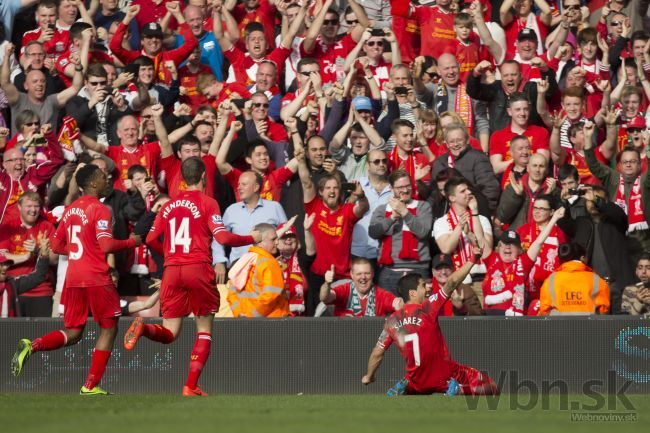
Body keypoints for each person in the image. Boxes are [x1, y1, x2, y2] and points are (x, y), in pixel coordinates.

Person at [123, 157, 260, 397]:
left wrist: (169, 257)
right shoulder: (208, 203)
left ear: (183, 179)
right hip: (198, 268)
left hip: (172, 271)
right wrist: (252, 238)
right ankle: (190, 385)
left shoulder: (168, 205)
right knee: (204, 328)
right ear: (205, 177)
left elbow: (150, 239)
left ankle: (144, 328)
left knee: (170, 333)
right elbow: (224, 239)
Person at [11, 164, 142, 395]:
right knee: (109, 328)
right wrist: (133, 241)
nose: (107, 180)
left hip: (73, 279)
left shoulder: (70, 210)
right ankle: (90, 385)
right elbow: (107, 245)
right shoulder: (100, 209)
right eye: (103, 177)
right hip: (97, 277)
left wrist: (79, 250)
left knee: (74, 332)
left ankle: (33, 346)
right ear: (92, 183)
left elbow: (57, 245)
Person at [361, 255, 499, 396]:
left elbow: (377, 352)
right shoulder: (427, 307)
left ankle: (406, 387)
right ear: (412, 293)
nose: (427, 287)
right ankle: (458, 390)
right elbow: (452, 282)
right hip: (445, 376)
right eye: (422, 285)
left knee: (415, 382)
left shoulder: (391, 321)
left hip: (417, 382)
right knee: (492, 387)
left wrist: (369, 376)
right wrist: (472, 260)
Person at [369, 170, 433, 293]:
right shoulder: (382, 210)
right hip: (389, 272)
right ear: (391, 189)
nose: (405, 190)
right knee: (389, 311)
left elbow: (423, 232)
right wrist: (392, 217)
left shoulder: (423, 206)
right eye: (400, 187)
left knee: (419, 311)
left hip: (418, 270)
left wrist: (405, 212)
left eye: (408, 185)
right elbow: (373, 232)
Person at [0, 192, 56, 316]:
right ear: (19, 207)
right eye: (29, 206)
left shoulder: (47, 226)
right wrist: (27, 256)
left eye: (36, 206)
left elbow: (55, 259)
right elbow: (3, 257)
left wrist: (38, 250)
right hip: (14, 289)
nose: (33, 210)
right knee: (13, 333)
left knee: (41, 333)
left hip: (42, 290)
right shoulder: (8, 227)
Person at [226, 222, 290, 318]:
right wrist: (252, 317)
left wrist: (240, 315)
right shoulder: (269, 263)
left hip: (246, 323)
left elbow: (232, 294)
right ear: (260, 242)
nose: (277, 242)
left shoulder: (243, 261)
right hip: (273, 322)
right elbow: (270, 295)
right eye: (273, 239)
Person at [538, 242, 611, 315]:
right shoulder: (597, 280)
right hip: (589, 326)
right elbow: (604, 310)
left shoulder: (550, 280)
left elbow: (544, 310)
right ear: (582, 258)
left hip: (559, 326)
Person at [319, 257, 401, 317]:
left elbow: (397, 303)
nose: (363, 277)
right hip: (344, 336)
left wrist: (400, 304)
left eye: (367, 273)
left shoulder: (381, 294)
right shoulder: (344, 290)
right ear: (352, 274)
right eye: (359, 274)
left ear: (372, 274)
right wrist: (327, 283)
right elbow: (324, 297)